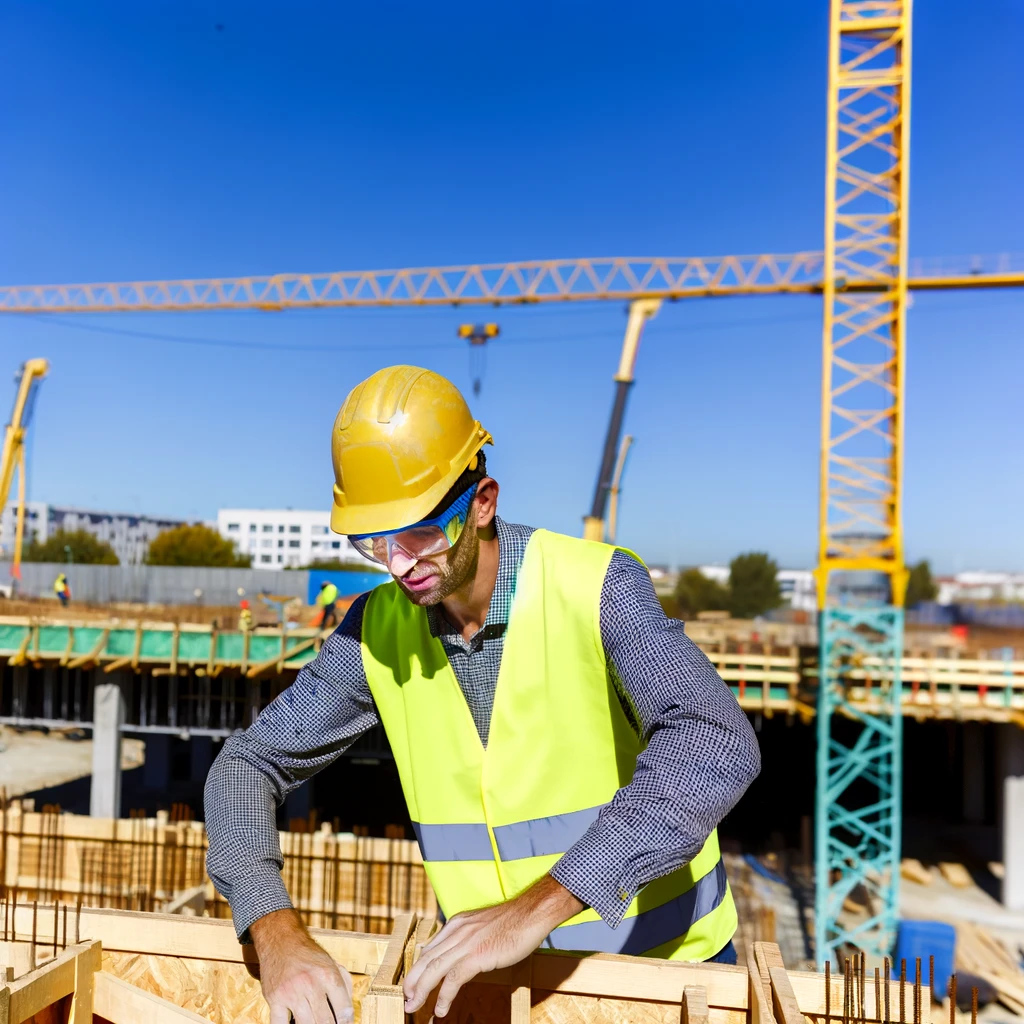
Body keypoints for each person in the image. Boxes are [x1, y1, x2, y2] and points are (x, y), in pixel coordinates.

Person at [205, 366, 760, 1024]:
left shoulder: (598, 588)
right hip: (490, 992)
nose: (400, 564)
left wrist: (541, 905)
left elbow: (714, 742)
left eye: (419, 533)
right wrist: (274, 931)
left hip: (665, 981)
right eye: (374, 542)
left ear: (483, 502)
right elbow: (246, 765)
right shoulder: (374, 632)